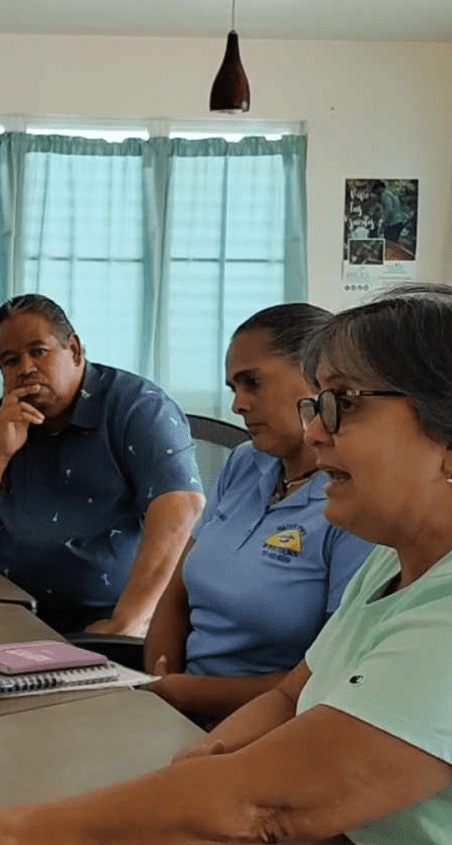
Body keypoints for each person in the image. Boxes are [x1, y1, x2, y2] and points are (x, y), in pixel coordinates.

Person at [0, 284, 452, 845]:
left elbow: (263, 809)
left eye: (341, 404)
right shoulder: (404, 554)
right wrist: (193, 764)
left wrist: (2, 831)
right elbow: (289, 696)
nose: (313, 431)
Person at [143, 304, 374, 721]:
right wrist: (159, 687)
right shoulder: (245, 463)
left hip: (270, 727)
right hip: (175, 709)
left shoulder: (353, 497)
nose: (237, 405)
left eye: (252, 383)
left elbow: (334, 674)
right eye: (233, 387)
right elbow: (176, 594)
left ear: (316, 378)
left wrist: (189, 694)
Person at [0, 294, 206, 635]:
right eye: (10, 360)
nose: (26, 368)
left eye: (39, 351)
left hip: (107, 620)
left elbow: (182, 507)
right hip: (4, 615)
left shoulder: (138, 406)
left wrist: (127, 622)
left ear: (74, 350)